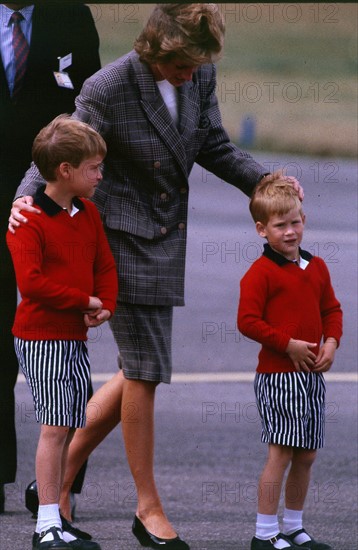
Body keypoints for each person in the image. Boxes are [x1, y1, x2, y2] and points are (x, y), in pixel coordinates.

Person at [9, 5, 303, 549]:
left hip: (165, 238)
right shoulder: (110, 86)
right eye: (182, 65)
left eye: (197, 65)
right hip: (117, 238)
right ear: (156, 50)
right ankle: (147, 509)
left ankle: (58, 477)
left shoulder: (199, 73)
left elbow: (212, 143)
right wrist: (24, 202)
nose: (191, 74)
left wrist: (265, 180)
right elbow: (63, 146)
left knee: (139, 369)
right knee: (144, 371)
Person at [0, 1, 101, 513]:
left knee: (66, 354)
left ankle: (60, 492)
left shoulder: (71, 16)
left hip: (56, 198)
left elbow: (90, 109)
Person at [6, 116, 118, 550]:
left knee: (70, 422)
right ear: (66, 171)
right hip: (41, 336)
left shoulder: (87, 212)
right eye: (93, 167)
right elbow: (31, 283)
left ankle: (53, 512)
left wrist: (104, 302)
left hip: (72, 336)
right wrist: (82, 300)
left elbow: (103, 264)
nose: (100, 175)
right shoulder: (29, 219)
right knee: (55, 428)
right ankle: (47, 524)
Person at [237, 175, 343, 550]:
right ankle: (265, 533)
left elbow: (331, 309)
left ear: (304, 219)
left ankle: (294, 527)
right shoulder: (260, 274)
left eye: (295, 222)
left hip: (312, 377)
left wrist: (330, 342)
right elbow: (247, 321)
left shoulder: (316, 267)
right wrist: (288, 345)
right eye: (280, 225)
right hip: (278, 377)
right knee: (280, 452)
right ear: (262, 230)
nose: (290, 231)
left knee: (307, 454)